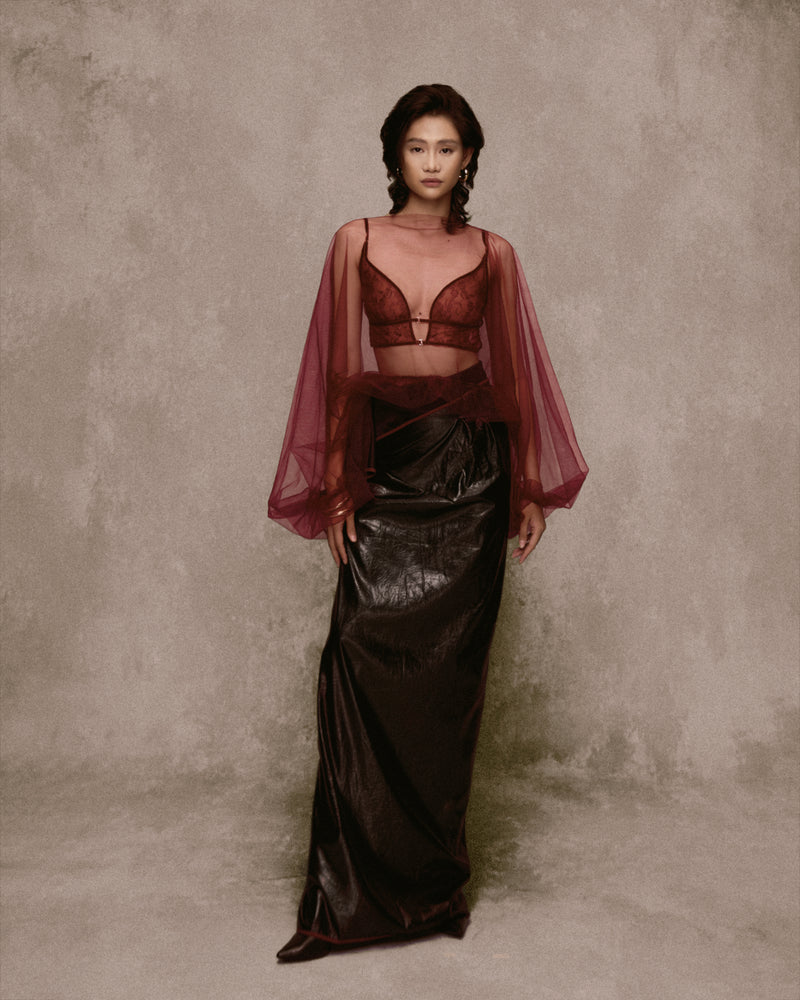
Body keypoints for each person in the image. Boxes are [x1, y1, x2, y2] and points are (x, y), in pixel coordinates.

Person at [268, 84, 587, 963]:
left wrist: (527, 489)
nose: (434, 163)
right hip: (389, 463)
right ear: (395, 155)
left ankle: (433, 894)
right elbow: (337, 372)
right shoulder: (355, 240)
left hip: (471, 471)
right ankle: (339, 905)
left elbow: (515, 377)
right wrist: (339, 487)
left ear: (470, 158)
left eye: (448, 148)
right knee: (354, 659)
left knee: (448, 688)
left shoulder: (494, 253)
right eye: (418, 147)